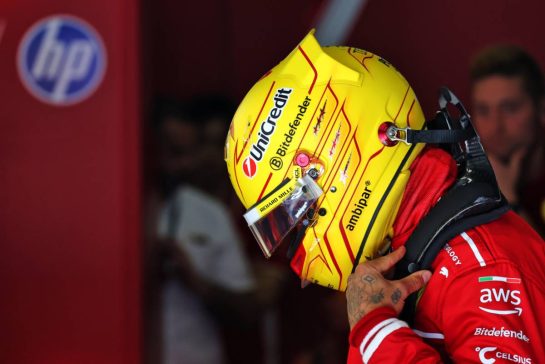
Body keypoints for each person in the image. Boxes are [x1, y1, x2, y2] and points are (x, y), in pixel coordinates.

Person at [223, 30, 545, 363]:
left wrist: (376, 333)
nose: (304, 268)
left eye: (301, 216)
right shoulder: (407, 267)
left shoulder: (484, 269)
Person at [151, 98, 259, 364]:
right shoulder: (110, 210)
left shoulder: (210, 213)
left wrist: (194, 281)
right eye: (174, 153)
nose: (186, 165)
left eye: (190, 153)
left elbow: (247, 310)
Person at [470, 45, 545, 236]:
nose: (495, 126)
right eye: (483, 111)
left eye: (510, 108)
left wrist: (509, 200)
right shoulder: (464, 184)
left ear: (541, 109)